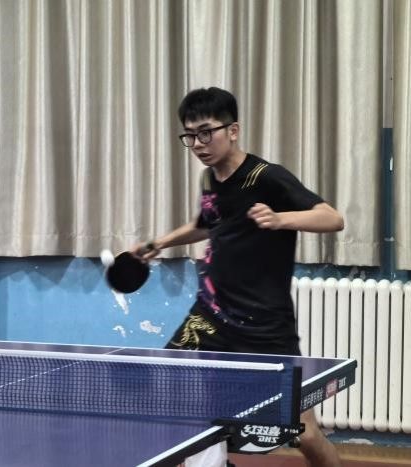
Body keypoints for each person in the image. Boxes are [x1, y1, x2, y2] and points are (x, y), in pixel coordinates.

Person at [132, 87, 344, 467]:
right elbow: (207, 223)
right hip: (210, 316)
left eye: (206, 132)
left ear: (233, 130)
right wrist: (159, 243)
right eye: (190, 136)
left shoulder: (267, 177)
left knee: (304, 431)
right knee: (170, 387)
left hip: (264, 325)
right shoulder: (209, 179)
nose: (198, 144)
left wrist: (281, 219)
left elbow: (332, 217)